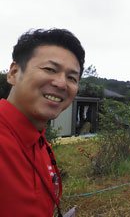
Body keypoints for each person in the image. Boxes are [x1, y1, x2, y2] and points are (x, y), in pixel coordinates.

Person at [0, 28, 85, 217]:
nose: (62, 83)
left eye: (72, 78)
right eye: (50, 69)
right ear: (13, 73)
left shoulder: (42, 145)